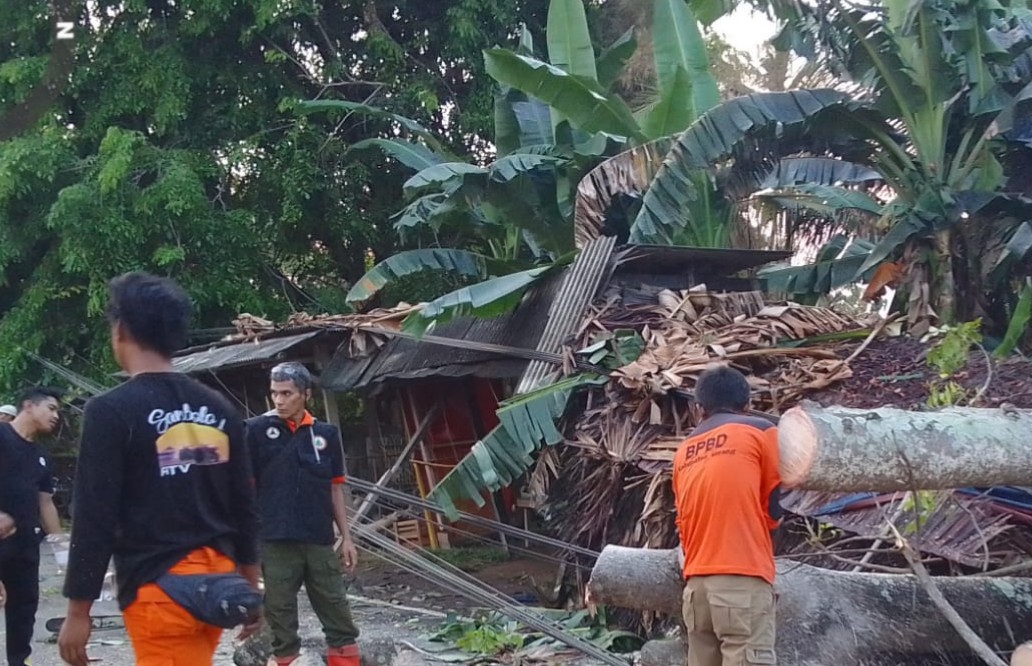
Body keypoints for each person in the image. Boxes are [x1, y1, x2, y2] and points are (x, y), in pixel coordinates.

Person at [58, 271, 262, 666]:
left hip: (159, 590)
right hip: (219, 585)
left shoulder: (111, 411)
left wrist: (78, 613)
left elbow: (94, 517)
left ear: (120, 331)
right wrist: (247, 591)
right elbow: (245, 506)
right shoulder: (219, 407)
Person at [246, 362, 360, 666]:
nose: (279, 400)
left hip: (319, 539)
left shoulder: (325, 434)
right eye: (274, 393)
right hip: (275, 540)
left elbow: (335, 489)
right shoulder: (255, 432)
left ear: (305, 394)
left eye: (287, 393)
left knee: (337, 612)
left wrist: (346, 537)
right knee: (281, 617)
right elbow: (244, 491)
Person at [672, 365, 781, 666]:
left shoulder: (684, 451)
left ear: (698, 410)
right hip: (741, 583)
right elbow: (774, 507)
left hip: (697, 591)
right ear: (746, 406)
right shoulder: (761, 431)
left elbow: (682, 521)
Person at [0, 387, 65, 665]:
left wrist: (63, 548)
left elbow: (45, 503)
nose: (56, 416)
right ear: (28, 405)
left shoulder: (41, 456)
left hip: (26, 545)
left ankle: (19, 660)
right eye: (51, 408)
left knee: (24, 607)